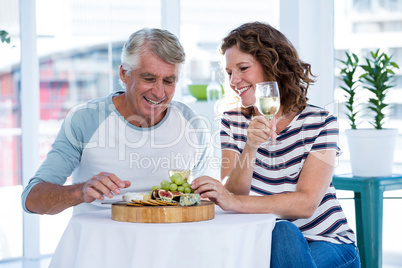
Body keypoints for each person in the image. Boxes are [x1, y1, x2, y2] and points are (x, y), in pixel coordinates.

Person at [191, 22, 360, 267]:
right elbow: (235, 193)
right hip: (268, 239)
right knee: (279, 233)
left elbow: (305, 204)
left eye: (243, 68)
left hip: (329, 243)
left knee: (283, 231)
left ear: (273, 67)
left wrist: (234, 201)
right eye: (229, 73)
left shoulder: (321, 122)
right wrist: (250, 146)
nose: (234, 80)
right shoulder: (232, 121)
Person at [22, 28, 214, 215]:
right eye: (149, 78)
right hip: (102, 244)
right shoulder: (85, 120)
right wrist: (79, 192)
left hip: (172, 244)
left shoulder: (192, 124)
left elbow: (210, 200)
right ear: (124, 73)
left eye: (169, 81)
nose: (159, 92)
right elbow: (31, 199)